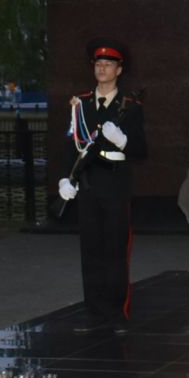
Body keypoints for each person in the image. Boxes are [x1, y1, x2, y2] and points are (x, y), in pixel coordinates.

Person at [58, 40, 146, 334]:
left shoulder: (130, 107)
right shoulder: (79, 104)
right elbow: (70, 144)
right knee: (91, 250)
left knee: (115, 250)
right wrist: (65, 178)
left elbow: (142, 151)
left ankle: (117, 313)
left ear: (119, 70)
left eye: (108, 65)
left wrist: (124, 141)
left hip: (115, 182)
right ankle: (94, 313)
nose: (102, 68)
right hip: (88, 182)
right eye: (98, 64)